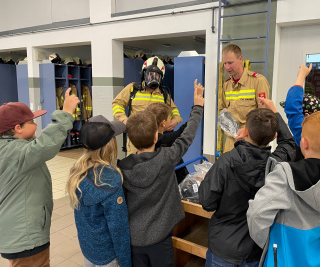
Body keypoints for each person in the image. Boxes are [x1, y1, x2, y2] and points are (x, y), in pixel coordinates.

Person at [247, 111, 320, 267]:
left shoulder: (285, 175)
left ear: (303, 143)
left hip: (285, 260)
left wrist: (268, 243)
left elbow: (257, 214)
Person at [199, 98, 295, 267]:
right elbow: (289, 143)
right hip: (255, 249)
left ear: (245, 130)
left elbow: (207, 202)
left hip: (224, 248)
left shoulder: (227, 161)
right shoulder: (275, 164)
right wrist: (274, 111)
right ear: (274, 137)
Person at [118, 79, 204, 267]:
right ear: (157, 135)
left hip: (134, 240)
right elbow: (188, 135)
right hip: (161, 238)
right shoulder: (167, 158)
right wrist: (197, 106)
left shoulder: (121, 168)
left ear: (130, 139)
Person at [0, 88, 79, 267]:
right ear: (17, 128)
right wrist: (66, 113)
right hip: (25, 236)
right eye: (32, 121)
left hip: (15, 233)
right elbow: (45, 145)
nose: (36, 125)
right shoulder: (15, 153)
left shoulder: (7, 148)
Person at [66, 115, 131, 267]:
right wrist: (126, 262)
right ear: (110, 144)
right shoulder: (110, 180)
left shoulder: (77, 172)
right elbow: (118, 228)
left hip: (89, 250)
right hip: (108, 255)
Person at [112, 56, 182, 155]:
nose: (153, 77)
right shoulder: (132, 89)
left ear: (161, 77)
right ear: (144, 74)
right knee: (133, 166)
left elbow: (173, 110)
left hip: (156, 139)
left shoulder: (164, 93)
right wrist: (124, 119)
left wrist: (176, 120)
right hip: (136, 138)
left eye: (156, 75)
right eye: (150, 74)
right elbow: (117, 103)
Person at [219, 44, 270, 153]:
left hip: (251, 143)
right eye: (225, 63)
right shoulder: (227, 85)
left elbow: (265, 116)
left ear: (240, 59)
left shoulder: (258, 81)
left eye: (230, 63)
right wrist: (231, 130)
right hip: (230, 143)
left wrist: (247, 131)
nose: (227, 67)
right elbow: (222, 111)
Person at [144, 102, 189, 184]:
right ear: (163, 123)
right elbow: (186, 130)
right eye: (169, 118)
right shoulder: (164, 140)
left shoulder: (145, 138)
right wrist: (198, 107)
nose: (170, 120)